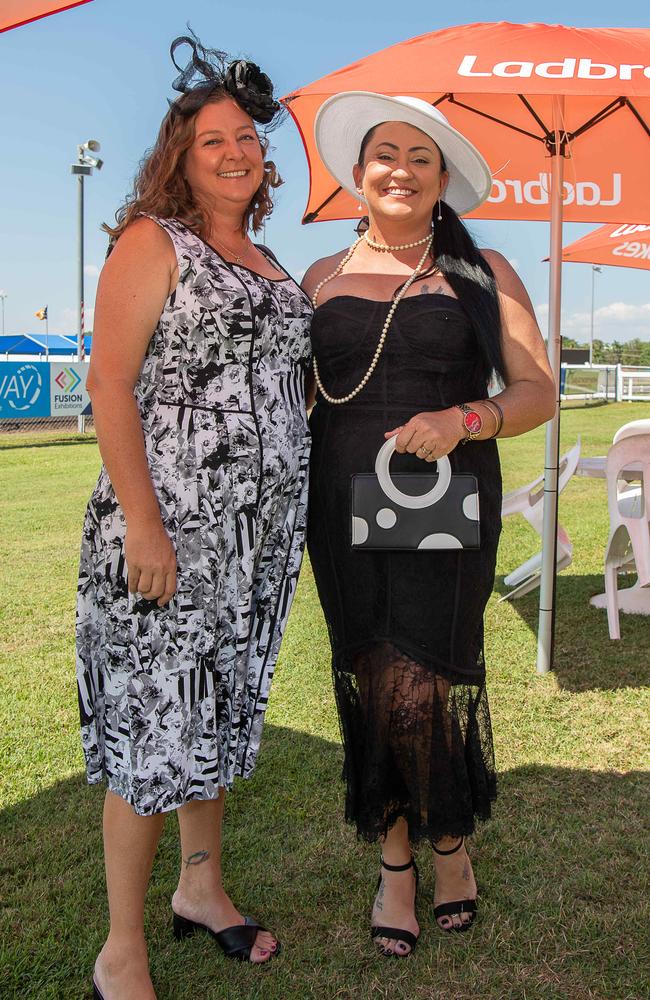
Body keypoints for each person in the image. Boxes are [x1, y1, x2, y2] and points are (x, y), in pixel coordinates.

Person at [76, 35, 312, 998]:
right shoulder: (152, 241)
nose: (234, 150)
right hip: (168, 532)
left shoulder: (268, 258)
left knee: (211, 716)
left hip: (255, 540)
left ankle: (201, 892)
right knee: (152, 726)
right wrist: (144, 523)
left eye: (247, 136)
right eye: (211, 138)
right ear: (179, 156)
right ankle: (119, 948)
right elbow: (111, 383)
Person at [302, 92, 555, 958]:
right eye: (385, 154)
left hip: (444, 509)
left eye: (420, 156)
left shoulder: (482, 273)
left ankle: (439, 852)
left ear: (442, 177)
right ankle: (400, 854)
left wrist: (463, 419)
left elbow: (536, 392)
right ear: (358, 176)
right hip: (338, 512)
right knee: (373, 678)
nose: (401, 169)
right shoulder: (319, 280)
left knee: (423, 684)